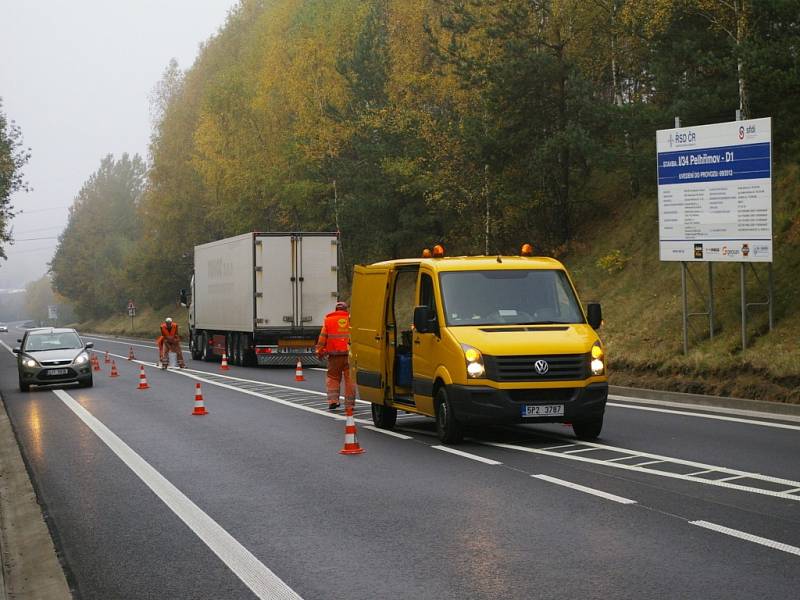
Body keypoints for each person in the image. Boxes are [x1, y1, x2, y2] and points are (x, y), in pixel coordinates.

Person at [316, 301, 355, 410]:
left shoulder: (328, 321)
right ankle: (349, 404)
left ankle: (333, 401)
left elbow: (322, 338)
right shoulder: (352, 320)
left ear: (336, 309)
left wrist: (319, 351)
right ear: (346, 309)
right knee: (350, 379)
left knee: (333, 377)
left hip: (334, 357)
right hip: (349, 356)